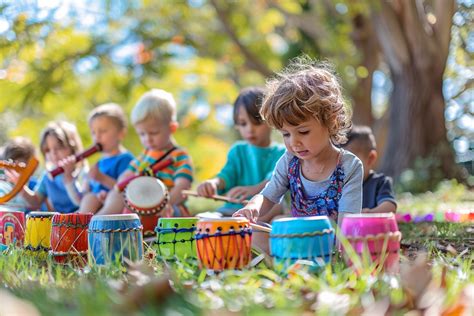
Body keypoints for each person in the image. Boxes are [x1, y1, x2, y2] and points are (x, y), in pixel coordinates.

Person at [234, 57, 363, 226]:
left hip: (331, 239)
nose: (294, 142)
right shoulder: (290, 161)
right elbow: (268, 196)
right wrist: (252, 207)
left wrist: (340, 252)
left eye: (303, 132)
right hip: (298, 236)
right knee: (258, 232)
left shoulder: (349, 166)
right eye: (286, 134)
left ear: (331, 121)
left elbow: (348, 222)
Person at [96, 89, 193, 215]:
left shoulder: (180, 156)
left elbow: (182, 188)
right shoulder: (144, 157)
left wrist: (165, 204)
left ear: (172, 128)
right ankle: (95, 225)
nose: (148, 139)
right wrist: (111, 195)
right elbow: (124, 178)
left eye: (154, 133)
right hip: (141, 208)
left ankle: (95, 227)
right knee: (116, 197)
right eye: (142, 134)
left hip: (169, 210)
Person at [196, 87, 286, 220]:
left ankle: (248, 226)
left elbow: (275, 181)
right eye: (243, 124)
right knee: (202, 219)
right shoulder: (237, 150)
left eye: (257, 122)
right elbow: (227, 175)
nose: (250, 129)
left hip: (263, 211)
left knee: (278, 206)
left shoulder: (281, 152)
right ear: (237, 125)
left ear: (271, 121)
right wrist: (213, 183)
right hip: (232, 210)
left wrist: (254, 189)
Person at [77, 103, 134, 214]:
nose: (97, 136)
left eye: (102, 131)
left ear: (121, 134)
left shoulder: (126, 159)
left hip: (115, 208)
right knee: (89, 199)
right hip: (96, 205)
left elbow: (126, 189)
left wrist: (101, 178)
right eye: (93, 132)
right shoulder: (99, 162)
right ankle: (80, 226)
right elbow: (87, 192)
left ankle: (92, 227)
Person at [20, 121, 87, 214]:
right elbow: (36, 202)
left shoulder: (83, 173)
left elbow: (84, 203)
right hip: (58, 224)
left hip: (81, 223)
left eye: (59, 147)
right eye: (48, 150)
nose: (53, 153)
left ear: (72, 148)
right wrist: (20, 187)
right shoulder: (48, 176)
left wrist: (69, 179)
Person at [342, 125, 397, 213]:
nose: (343, 167)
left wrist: (370, 213)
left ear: (371, 158)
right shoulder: (338, 185)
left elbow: (389, 206)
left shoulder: (380, 183)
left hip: (370, 225)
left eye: (350, 162)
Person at [0, 137, 38, 210]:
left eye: (21, 167)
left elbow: (37, 205)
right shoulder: (3, 186)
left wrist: (21, 187)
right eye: (12, 165)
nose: (16, 172)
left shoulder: (34, 186)